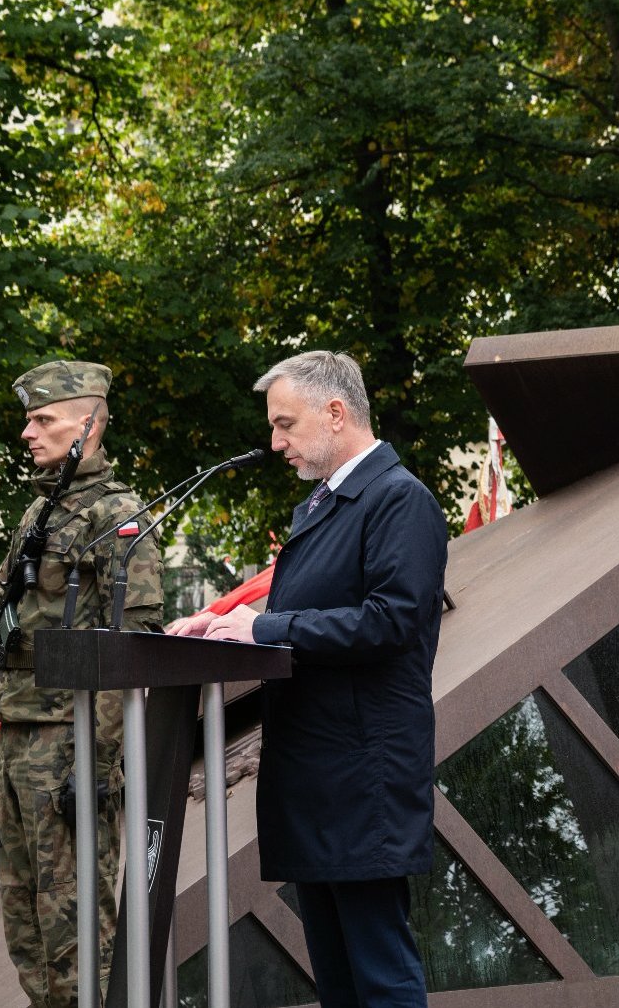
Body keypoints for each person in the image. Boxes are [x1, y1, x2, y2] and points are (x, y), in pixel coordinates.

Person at [169, 350, 446, 1007]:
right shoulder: (327, 505)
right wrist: (227, 623)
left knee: (380, 974)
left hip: (362, 776)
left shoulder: (397, 499)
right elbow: (318, 613)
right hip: (321, 775)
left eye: (285, 424)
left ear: (335, 412)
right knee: (339, 981)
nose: (275, 442)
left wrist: (263, 630)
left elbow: (391, 621)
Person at [0, 361, 164, 1008]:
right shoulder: (41, 509)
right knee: (23, 912)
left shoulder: (119, 516)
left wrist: (98, 759)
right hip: (18, 725)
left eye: (43, 419)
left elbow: (129, 649)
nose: (28, 431)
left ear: (89, 424)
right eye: (29, 418)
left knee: (76, 919)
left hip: (72, 736)